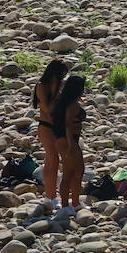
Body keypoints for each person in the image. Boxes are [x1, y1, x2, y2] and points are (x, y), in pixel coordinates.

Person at [32, 60, 69, 204]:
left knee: (53, 161)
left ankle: (51, 194)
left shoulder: (58, 87)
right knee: (52, 159)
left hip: (57, 127)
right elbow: (47, 109)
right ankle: (50, 194)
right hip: (47, 126)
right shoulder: (42, 86)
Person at [52, 75, 87, 211]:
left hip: (64, 139)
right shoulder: (71, 105)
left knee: (77, 171)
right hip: (69, 140)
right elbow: (68, 125)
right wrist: (71, 145)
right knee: (69, 173)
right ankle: (67, 204)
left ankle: (74, 203)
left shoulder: (63, 101)